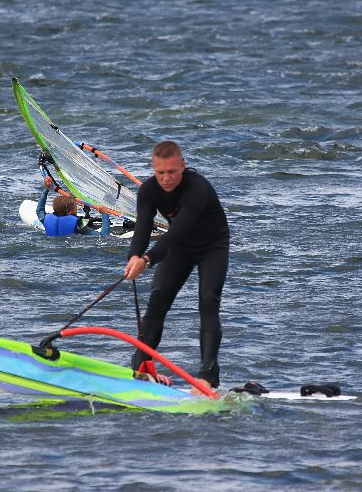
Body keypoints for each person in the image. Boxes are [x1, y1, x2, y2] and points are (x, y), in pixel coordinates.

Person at [123, 141, 229, 392]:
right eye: (160, 173)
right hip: (180, 250)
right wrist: (134, 255)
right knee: (158, 299)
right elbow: (143, 228)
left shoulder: (197, 189)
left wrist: (147, 259)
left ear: (183, 165)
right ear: (153, 169)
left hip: (212, 245)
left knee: (208, 300)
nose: (166, 178)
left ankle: (207, 378)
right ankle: (141, 369)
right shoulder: (148, 190)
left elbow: (177, 231)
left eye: (172, 172)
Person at [36, 176, 110, 236]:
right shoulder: (78, 225)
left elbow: (39, 211)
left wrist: (46, 189)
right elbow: (104, 236)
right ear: (70, 211)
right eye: (76, 206)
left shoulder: (46, 219)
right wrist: (105, 214)